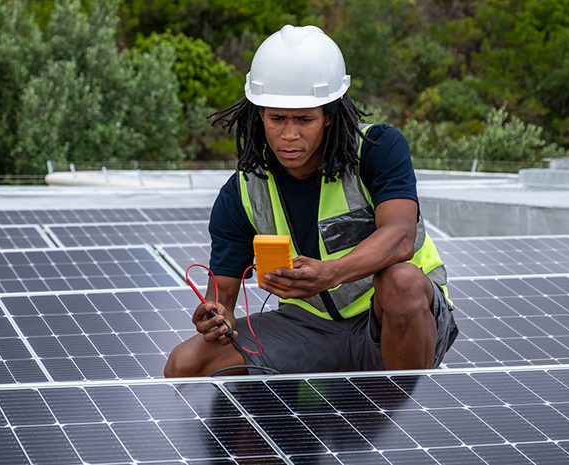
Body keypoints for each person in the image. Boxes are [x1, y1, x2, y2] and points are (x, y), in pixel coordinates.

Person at [164, 25, 458, 377]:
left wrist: (330, 273)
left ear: (329, 115)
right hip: (313, 328)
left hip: (399, 319)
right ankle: (272, 431)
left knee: (401, 282)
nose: (289, 135)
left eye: (304, 119)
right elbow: (222, 295)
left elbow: (400, 237)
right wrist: (216, 316)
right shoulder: (241, 192)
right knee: (185, 364)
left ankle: (406, 416)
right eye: (277, 118)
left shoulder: (378, 150)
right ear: (260, 114)